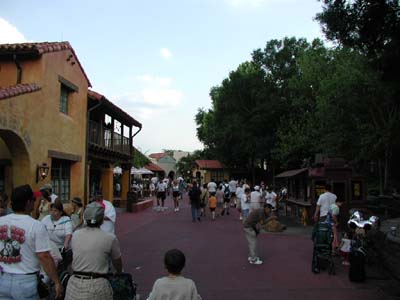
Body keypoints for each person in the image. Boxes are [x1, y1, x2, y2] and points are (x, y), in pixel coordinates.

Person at [0, 184, 63, 299]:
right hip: (26, 281)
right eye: (33, 200)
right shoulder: (36, 226)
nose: (35, 202)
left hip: (3, 278)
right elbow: (44, 256)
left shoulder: (1, 221)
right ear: (28, 202)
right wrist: (56, 281)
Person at [65, 202, 123, 300]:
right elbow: (117, 261)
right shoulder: (109, 238)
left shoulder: (76, 235)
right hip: (98, 284)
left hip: (75, 283)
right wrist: (118, 271)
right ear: (101, 220)